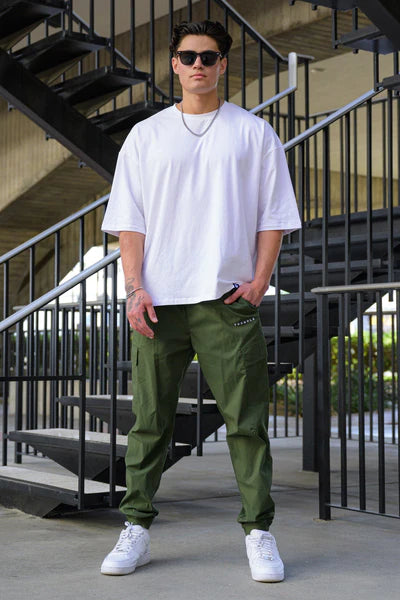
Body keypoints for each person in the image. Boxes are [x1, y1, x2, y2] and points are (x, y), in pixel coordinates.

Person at [100, 19, 301, 583]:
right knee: (149, 422)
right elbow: (130, 222)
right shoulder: (146, 136)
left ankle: (259, 533)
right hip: (158, 302)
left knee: (246, 423)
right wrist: (134, 288)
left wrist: (259, 282)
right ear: (174, 64)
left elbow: (272, 217)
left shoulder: (254, 133)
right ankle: (136, 527)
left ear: (223, 64)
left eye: (208, 56)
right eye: (188, 56)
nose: (198, 65)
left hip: (225, 299)